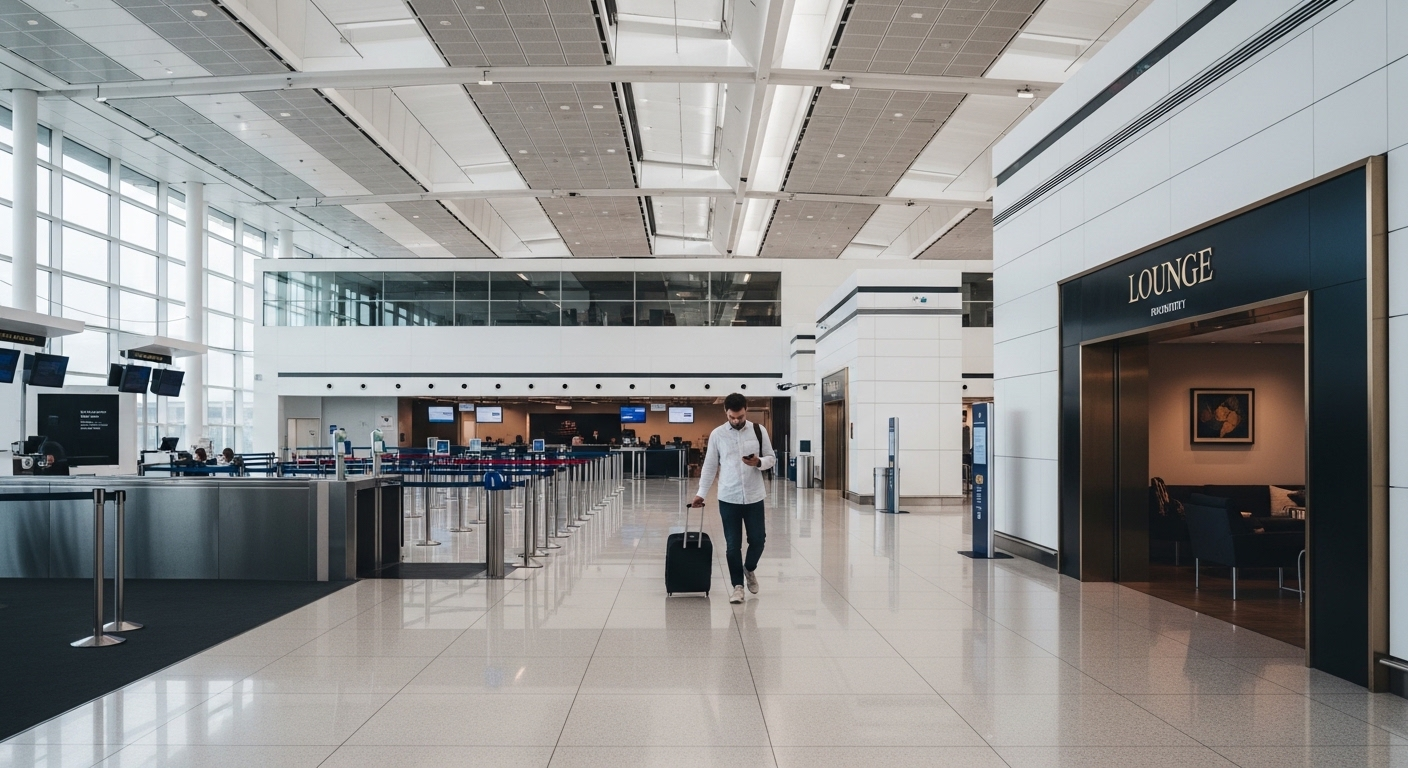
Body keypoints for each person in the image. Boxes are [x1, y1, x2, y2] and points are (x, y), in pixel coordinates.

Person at [691, 393, 776, 604]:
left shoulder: (758, 430)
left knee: (758, 540)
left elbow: (771, 459)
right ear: (725, 412)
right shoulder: (717, 434)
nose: (736, 421)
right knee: (732, 545)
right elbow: (710, 465)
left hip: (754, 496)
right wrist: (701, 493)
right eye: (732, 417)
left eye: (739, 416)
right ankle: (737, 586)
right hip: (728, 497)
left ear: (746, 410)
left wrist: (758, 462)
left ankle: (749, 568)